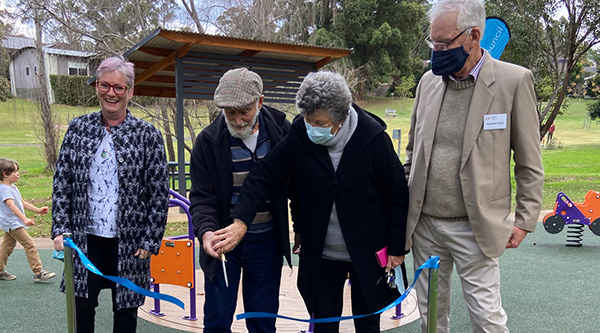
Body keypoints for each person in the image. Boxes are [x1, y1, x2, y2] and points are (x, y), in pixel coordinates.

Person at [228, 71, 409, 333]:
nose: (312, 126)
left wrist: (397, 247)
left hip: (369, 253)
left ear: (342, 116)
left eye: (320, 121)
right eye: (307, 118)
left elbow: (397, 194)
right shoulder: (301, 134)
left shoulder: (373, 138)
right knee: (324, 322)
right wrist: (241, 220)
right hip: (323, 254)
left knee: (368, 323)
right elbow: (264, 175)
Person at [403, 0, 545, 332]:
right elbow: (413, 152)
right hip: (425, 225)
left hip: (475, 226)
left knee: (487, 319)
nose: (437, 51)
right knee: (431, 319)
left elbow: (529, 161)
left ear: (473, 36)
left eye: (444, 43)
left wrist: (525, 220)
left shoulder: (513, 82)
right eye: (432, 43)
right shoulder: (428, 83)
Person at [51, 56, 169, 333]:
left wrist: (151, 238)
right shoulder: (79, 128)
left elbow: (158, 192)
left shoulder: (146, 135)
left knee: (125, 311)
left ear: (130, 91)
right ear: (97, 87)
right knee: (82, 307)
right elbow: (62, 181)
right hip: (83, 238)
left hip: (130, 240)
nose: (111, 93)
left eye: (119, 87)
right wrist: (60, 227)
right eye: (105, 85)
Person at [189, 67, 292, 332]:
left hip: (267, 241)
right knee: (218, 320)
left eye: (243, 111)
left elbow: (300, 185)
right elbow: (201, 198)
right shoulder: (207, 142)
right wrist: (207, 233)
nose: (236, 120)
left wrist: (302, 229)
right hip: (223, 243)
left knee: (262, 321)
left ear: (260, 100)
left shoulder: (282, 131)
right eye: (229, 112)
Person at [0, 158, 56, 282]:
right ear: (5, 174)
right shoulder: (5, 189)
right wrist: (24, 219)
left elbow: (21, 203)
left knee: (7, 246)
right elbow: (11, 205)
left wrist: (38, 210)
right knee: (29, 244)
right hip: (12, 223)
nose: (18, 173)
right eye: (15, 171)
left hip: (11, 223)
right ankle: (38, 272)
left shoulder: (12, 187)